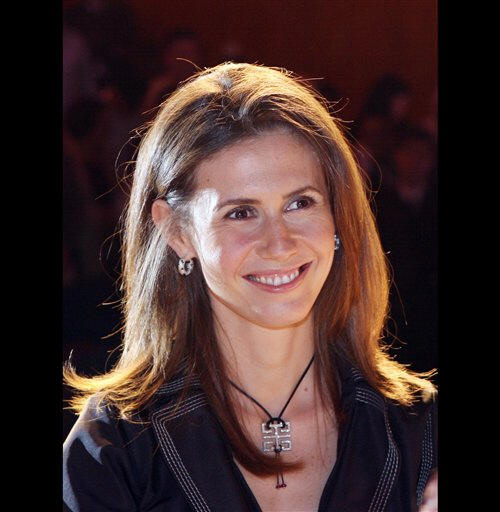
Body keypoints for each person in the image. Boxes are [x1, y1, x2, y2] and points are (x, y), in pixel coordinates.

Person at [63, 62, 438, 511]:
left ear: (337, 215)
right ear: (177, 232)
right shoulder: (116, 446)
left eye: (300, 203)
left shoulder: (420, 428)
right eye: (241, 213)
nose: (280, 244)